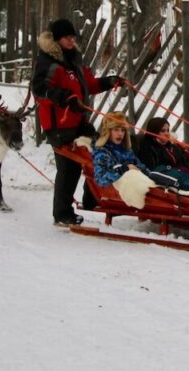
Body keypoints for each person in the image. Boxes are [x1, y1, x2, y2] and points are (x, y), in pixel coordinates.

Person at [31, 18, 123, 227]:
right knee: (69, 169)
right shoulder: (48, 62)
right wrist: (63, 97)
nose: (72, 41)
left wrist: (109, 81)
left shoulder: (73, 59)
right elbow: (39, 91)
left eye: (73, 37)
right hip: (59, 125)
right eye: (67, 37)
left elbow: (89, 85)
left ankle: (92, 199)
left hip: (79, 121)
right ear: (56, 39)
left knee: (102, 151)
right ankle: (62, 214)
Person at [135, 116, 189, 191]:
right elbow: (152, 168)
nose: (167, 133)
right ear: (154, 132)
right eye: (162, 131)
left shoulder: (171, 146)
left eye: (167, 130)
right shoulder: (148, 146)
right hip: (168, 177)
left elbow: (183, 161)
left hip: (185, 174)